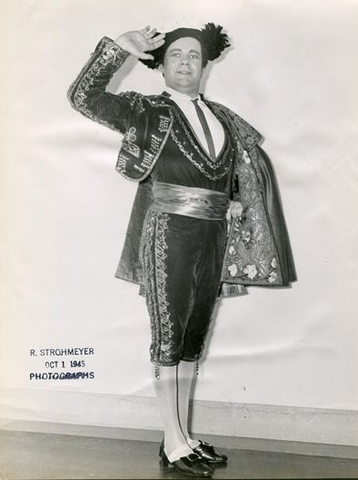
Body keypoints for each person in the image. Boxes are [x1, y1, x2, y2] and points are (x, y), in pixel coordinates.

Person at [68, 23, 297, 478]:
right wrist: (119, 50)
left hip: (212, 237)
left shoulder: (223, 117)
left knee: (194, 338)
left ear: (206, 62)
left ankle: (183, 436)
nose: (186, 61)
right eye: (176, 55)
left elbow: (233, 176)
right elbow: (83, 98)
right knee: (169, 336)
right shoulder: (146, 110)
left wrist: (232, 199)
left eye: (194, 54)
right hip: (168, 231)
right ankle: (173, 442)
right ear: (162, 64)